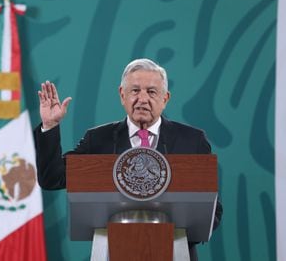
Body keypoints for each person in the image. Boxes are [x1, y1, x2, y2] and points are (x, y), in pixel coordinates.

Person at [33, 58, 222, 261]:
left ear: (165, 98)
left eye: (151, 92)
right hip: (111, 252)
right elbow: (52, 178)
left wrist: (180, 232)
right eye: (134, 91)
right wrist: (50, 126)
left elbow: (213, 209)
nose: (142, 99)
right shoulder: (98, 139)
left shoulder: (192, 140)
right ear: (122, 95)